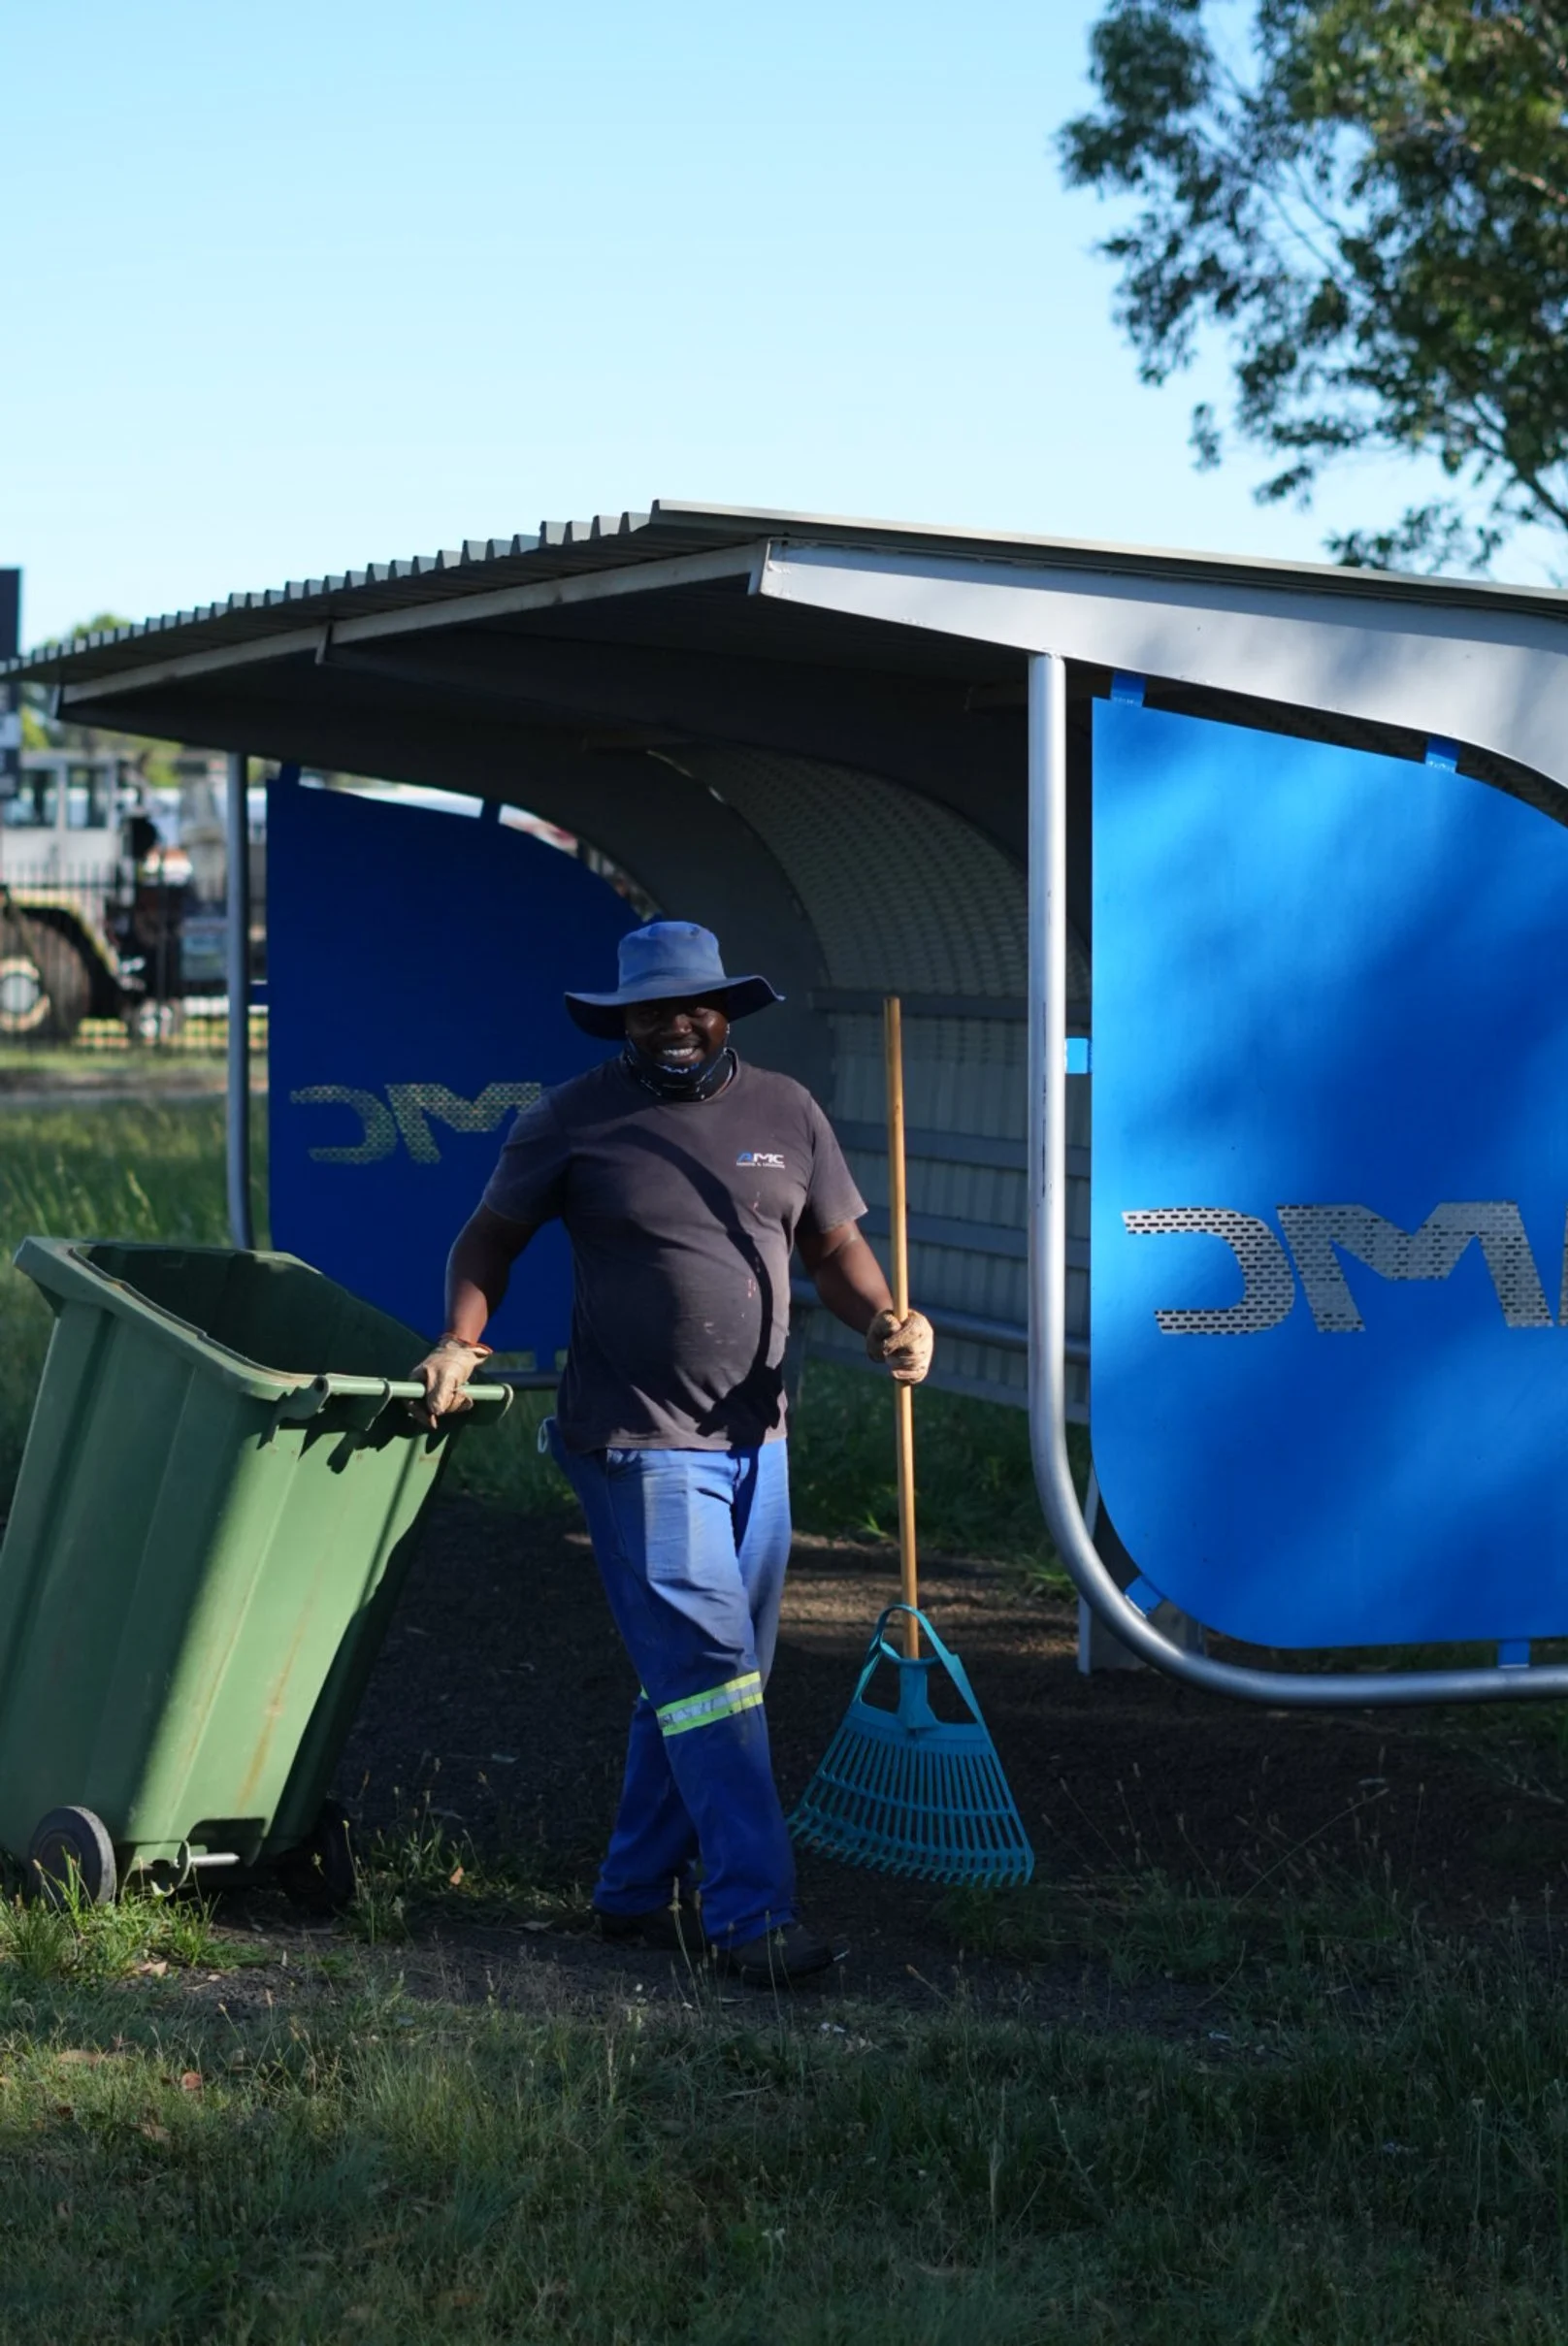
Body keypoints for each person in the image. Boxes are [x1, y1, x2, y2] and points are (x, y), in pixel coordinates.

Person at [409, 920, 933, 1985]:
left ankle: (635, 1890)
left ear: (724, 1009)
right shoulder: (572, 1119)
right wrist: (459, 1341)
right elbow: (487, 1237)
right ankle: (750, 1919)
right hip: (637, 1443)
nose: (677, 1025)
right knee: (708, 1671)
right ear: (623, 1021)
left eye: (695, 1005)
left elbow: (832, 1248)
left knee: (712, 1684)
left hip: (756, 1439)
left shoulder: (786, 1110)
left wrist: (885, 1319)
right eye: (652, 1010)